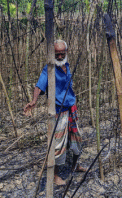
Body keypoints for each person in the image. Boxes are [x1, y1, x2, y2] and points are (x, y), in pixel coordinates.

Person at [24, 39, 86, 185]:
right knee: (58, 144)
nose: (59, 57)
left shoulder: (67, 65)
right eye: (56, 54)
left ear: (66, 52)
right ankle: (55, 175)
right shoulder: (49, 69)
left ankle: (75, 166)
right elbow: (39, 85)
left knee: (77, 138)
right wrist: (34, 101)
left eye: (61, 54)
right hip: (59, 111)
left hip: (71, 108)